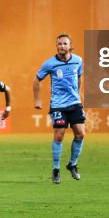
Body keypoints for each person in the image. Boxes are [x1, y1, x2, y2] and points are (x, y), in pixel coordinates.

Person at [33, 33, 85, 184]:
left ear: (70, 46)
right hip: (58, 104)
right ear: (57, 46)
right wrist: (37, 100)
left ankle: (72, 165)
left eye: (65, 43)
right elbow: (36, 80)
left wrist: (79, 93)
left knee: (81, 134)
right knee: (59, 135)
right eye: (59, 44)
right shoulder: (50, 63)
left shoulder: (78, 60)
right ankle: (56, 169)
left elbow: (80, 76)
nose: (62, 46)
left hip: (75, 103)